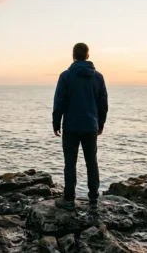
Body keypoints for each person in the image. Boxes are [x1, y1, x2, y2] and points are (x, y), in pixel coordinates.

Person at [52, 42, 108, 213]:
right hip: (90, 126)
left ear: (73, 56)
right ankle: (93, 200)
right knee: (92, 162)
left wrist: (56, 122)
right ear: (88, 56)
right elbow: (103, 103)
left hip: (71, 126)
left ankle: (69, 200)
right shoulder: (98, 77)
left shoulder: (66, 76)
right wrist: (100, 123)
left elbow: (59, 101)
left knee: (70, 163)